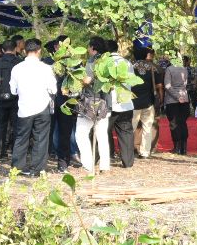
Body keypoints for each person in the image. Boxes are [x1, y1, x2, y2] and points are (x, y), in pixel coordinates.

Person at [10, 39, 56, 177]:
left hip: (24, 108)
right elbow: (53, 90)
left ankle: (17, 168)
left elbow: (13, 91)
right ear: (39, 50)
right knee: (41, 138)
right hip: (42, 107)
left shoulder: (17, 68)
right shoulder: (46, 68)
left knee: (21, 138)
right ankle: (37, 169)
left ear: (24, 51)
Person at [74, 37, 112, 176]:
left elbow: (87, 80)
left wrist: (76, 77)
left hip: (91, 102)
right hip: (106, 103)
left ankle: (88, 166)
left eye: (89, 47)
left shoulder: (92, 62)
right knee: (102, 135)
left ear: (93, 48)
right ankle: (105, 167)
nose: (88, 50)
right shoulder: (109, 62)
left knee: (81, 133)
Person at [45, 38, 76, 172]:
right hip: (48, 102)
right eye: (59, 46)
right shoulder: (46, 62)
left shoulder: (73, 63)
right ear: (56, 47)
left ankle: (63, 162)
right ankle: (42, 161)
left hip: (67, 103)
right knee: (46, 133)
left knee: (65, 133)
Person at [0, 38, 22, 167]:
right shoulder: (20, 62)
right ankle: (15, 153)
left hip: (0, 98)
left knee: (0, 126)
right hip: (16, 99)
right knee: (16, 127)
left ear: (3, 50)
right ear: (15, 49)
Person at [107, 40, 135, 169]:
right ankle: (128, 162)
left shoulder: (105, 62)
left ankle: (105, 157)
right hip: (125, 103)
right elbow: (133, 81)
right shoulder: (127, 63)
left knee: (104, 131)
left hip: (110, 103)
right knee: (126, 132)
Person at [131, 46, 161, 159]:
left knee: (131, 128)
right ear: (145, 55)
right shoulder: (153, 68)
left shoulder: (130, 67)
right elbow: (158, 85)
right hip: (148, 102)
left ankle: (129, 151)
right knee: (147, 127)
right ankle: (145, 152)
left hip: (133, 102)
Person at [163, 56, 192, 155]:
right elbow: (185, 83)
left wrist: (176, 96)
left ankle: (177, 147)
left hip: (172, 100)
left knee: (174, 123)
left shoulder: (169, 69)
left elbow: (167, 86)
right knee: (183, 123)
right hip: (184, 97)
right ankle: (184, 147)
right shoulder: (184, 69)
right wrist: (181, 96)